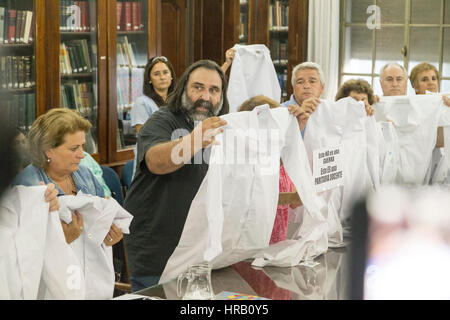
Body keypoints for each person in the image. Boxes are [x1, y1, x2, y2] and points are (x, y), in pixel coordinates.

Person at [124, 60, 230, 291]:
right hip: (156, 247)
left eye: (214, 90)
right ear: (183, 89)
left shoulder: (222, 125)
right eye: (198, 87)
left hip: (197, 249)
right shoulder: (162, 120)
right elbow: (156, 161)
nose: (205, 96)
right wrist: (194, 139)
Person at [13, 108, 122, 246]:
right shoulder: (27, 185)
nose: (82, 155)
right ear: (48, 151)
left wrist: (108, 235)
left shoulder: (84, 173)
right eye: (74, 148)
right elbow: (20, 250)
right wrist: (62, 240)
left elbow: (100, 223)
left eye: (82, 146)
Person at [238, 95, 303, 244]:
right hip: (248, 246)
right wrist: (292, 198)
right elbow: (248, 202)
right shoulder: (244, 160)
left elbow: (294, 202)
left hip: (275, 245)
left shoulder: (281, 160)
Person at [130, 56, 176, 134]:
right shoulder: (142, 102)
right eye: (156, 74)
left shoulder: (178, 101)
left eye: (165, 72)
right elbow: (144, 136)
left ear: (171, 76)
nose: (162, 77)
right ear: (149, 79)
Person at [280, 62, 325, 136]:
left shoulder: (328, 112)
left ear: (322, 88)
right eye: (300, 82)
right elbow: (276, 144)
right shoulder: (280, 111)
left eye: (312, 81)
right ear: (293, 88)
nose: (306, 86)